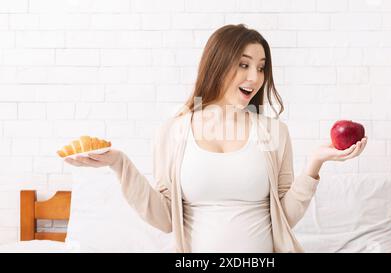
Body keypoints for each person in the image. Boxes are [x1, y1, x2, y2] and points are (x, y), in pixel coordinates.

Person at [65, 24, 367, 253]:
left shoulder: (274, 132)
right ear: (218, 64)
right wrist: (120, 164)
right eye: (244, 64)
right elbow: (165, 218)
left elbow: (284, 216)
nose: (255, 77)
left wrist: (315, 164)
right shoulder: (173, 132)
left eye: (261, 68)